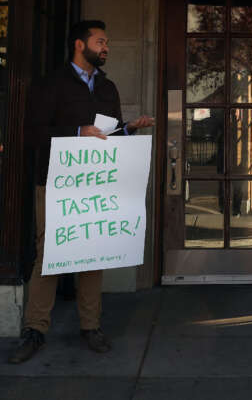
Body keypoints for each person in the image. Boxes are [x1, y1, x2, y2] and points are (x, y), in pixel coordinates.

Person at [9, 20, 154, 364]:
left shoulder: (108, 87)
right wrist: (77, 131)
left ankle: (91, 327)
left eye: (107, 42)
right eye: (100, 41)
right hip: (56, 182)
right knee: (49, 253)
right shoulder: (51, 84)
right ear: (79, 44)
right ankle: (35, 329)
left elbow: (111, 135)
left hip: (95, 182)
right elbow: (32, 133)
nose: (106, 48)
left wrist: (128, 129)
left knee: (93, 250)